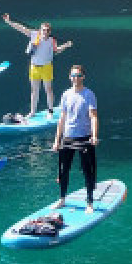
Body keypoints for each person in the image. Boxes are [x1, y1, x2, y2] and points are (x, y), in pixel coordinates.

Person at [2, 13, 73, 117]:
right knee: (34, 90)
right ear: (40, 30)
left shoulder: (52, 40)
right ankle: (32, 112)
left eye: (47, 30)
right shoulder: (34, 34)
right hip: (34, 67)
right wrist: (9, 22)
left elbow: (56, 51)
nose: (45, 32)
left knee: (48, 90)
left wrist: (66, 46)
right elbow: (20, 28)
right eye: (43, 30)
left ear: (50, 31)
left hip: (47, 67)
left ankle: (50, 111)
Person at [52, 64, 99, 213]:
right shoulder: (65, 94)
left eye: (78, 75)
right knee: (63, 170)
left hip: (84, 138)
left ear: (83, 77)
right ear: (69, 77)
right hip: (68, 137)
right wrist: (56, 140)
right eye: (73, 75)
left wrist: (94, 136)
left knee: (87, 170)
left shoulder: (89, 94)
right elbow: (62, 118)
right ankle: (62, 199)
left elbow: (93, 117)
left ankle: (90, 202)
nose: (75, 78)